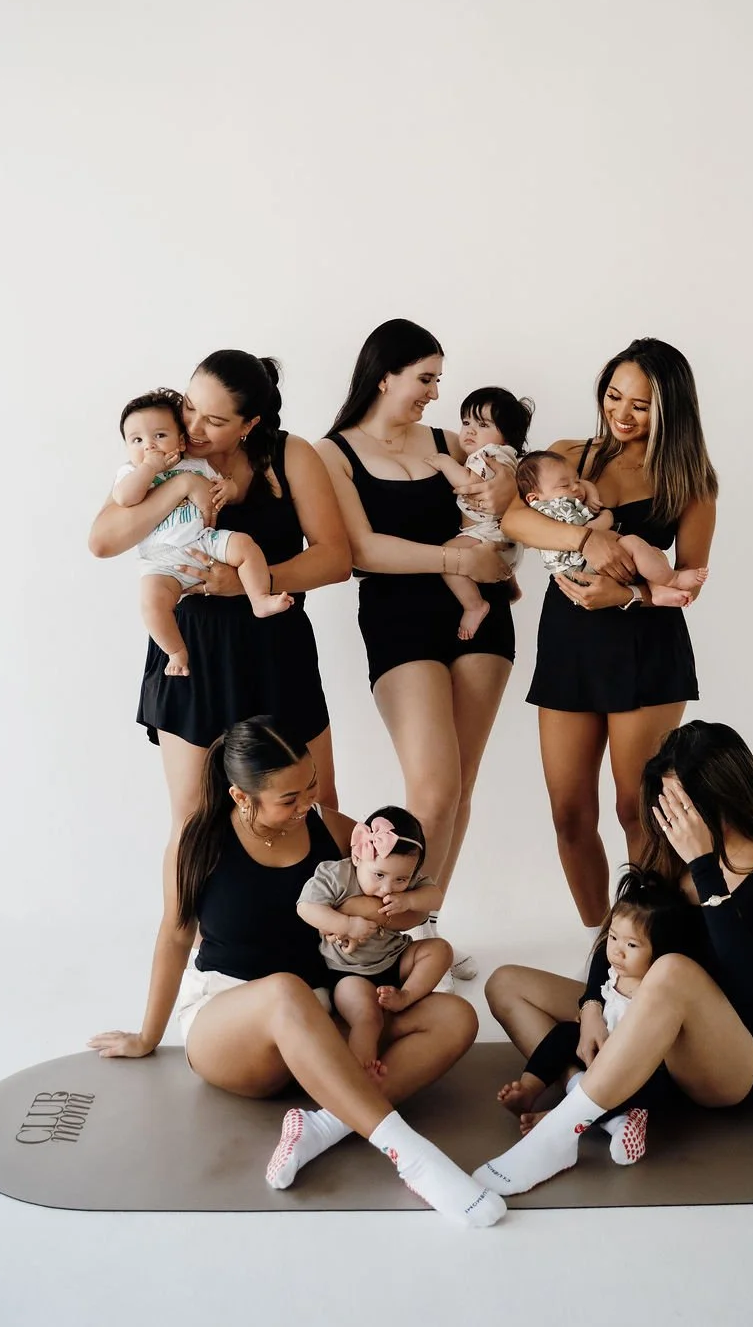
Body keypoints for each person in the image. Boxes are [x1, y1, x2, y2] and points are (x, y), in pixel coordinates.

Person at [88, 717, 505, 1228]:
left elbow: (404, 898)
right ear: (243, 797)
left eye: (309, 786)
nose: (306, 802)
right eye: (288, 798)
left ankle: (323, 1126)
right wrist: (147, 1036)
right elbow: (174, 938)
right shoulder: (197, 842)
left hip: (326, 1012)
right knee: (285, 992)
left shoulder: (329, 826)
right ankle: (414, 1158)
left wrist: (375, 909)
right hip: (234, 1025)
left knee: (456, 1016)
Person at [475, 721, 753, 1196]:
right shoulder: (667, 851)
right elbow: (615, 937)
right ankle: (593, 1095)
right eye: (667, 802)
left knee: (672, 970)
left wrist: (704, 868)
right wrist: (592, 1007)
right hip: (638, 1019)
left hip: (731, 1062)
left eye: (684, 803)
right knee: (506, 982)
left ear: (725, 792)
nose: (673, 816)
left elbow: (746, 981)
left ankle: (560, 1133)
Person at [316, 322, 516, 978]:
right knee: (430, 791)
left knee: (459, 791)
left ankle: (424, 932)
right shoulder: (332, 453)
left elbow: (494, 500)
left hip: (477, 616)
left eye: (438, 379)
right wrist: (458, 557)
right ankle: (388, 939)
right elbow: (361, 551)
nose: (435, 393)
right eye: (425, 378)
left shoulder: (448, 442)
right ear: (384, 375)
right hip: (397, 615)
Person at [500, 338, 719, 927]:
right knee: (569, 812)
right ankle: (602, 940)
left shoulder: (691, 479)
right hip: (570, 648)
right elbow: (514, 516)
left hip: (646, 648)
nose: (621, 414)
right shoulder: (570, 457)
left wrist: (626, 595)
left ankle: (653, 937)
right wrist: (586, 538)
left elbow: (689, 580)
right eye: (614, 395)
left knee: (636, 807)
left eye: (640, 405)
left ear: (671, 409)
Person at [89, 349, 352, 838]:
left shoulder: (291, 455)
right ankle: (181, 921)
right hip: (193, 651)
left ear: (249, 424)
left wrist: (254, 581)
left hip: (276, 645)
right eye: (189, 406)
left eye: (213, 420)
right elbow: (103, 541)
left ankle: (322, 913)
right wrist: (179, 484)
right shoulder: (163, 452)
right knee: (195, 820)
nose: (191, 426)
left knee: (315, 806)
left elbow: (336, 559)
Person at [495, 867, 696, 1165]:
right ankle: (529, 1086)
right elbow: (596, 1003)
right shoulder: (615, 974)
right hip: (599, 1053)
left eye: (631, 945)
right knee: (564, 1034)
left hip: (634, 1069)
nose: (617, 952)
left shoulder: (657, 986)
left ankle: (565, 1118)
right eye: (613, 938)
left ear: (661, 951)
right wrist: (591, 1013)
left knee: (651, 1087)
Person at [114, 388, 293, 676]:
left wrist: (230, 489)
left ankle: (259, 598)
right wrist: (148, 469)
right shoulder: (130, 474)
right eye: (137, 440)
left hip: (203, 541)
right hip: (161, 561)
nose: (149, 446)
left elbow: (226, 491)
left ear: (181, 439)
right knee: (151, 604)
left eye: (159, 436)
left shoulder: (197, 465)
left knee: (245, 545)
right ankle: (176, 651)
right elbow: (125, 498)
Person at [297, 808, 453, 1076]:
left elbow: (435, 897)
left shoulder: (408, 882)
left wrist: (410, 900)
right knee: (368, 1018)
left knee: (440, 950)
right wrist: (346, 924)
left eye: (401, 880)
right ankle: (360, 1070)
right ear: (358, 856)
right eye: (379, 875)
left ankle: (406, 996)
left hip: (394, 958)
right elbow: (306, 908)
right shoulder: (335, 875)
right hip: (349, 972)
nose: (387, 889)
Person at [515, 449, 709, 608]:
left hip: (641, 621)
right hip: (581, 570)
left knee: (652, 553)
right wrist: (607, 517)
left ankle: (657, 589)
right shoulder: (558, 507)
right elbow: (589, 532)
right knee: (632, 542)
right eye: (566, 485)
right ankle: (672, 579)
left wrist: (589, 493)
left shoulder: (551, 493)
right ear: (533, 497)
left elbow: (579, 484)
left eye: (576, 480)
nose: (576, 488)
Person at [424, 386, 533, 638]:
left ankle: (474, 605)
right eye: (466, 422)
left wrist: (444, 462)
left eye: (483, 425)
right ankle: (511, 587)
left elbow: (468, 482)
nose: (470, 430)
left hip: (487, 536)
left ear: (506, 435)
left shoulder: (488, 454)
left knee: (447, 556)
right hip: (506, 543)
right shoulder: (509, 458)